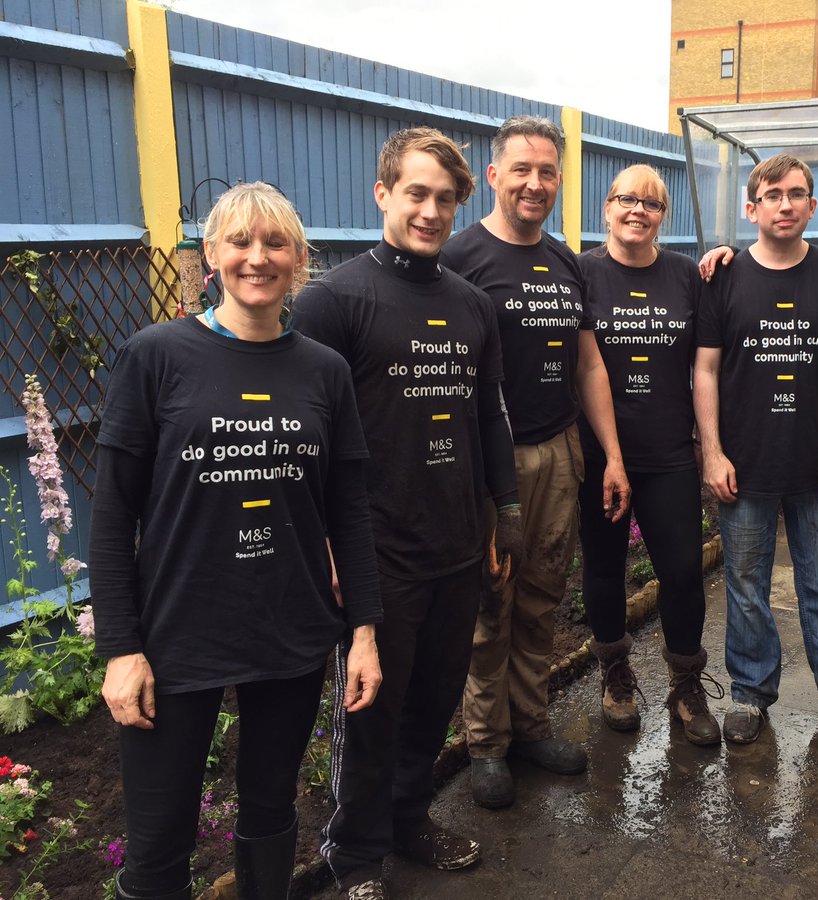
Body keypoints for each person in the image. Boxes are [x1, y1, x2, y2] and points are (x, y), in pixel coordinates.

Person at [90, 182, 383, 900]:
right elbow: (113, 515)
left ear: (299, 259)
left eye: (276, 243)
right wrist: (120, 648)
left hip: (289, 625)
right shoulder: (155, 356)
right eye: (240, 242)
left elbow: (349, 512)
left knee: (271, 810)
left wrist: (364, 633)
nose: (258, 257)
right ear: (211, 255)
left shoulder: (325, 370)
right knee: (158, 840)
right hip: (177, 632)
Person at [291, 128, 521, 899]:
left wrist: (504, 513)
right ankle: (355, 854)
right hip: (376, 547)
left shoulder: (472, 305)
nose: (430, 211)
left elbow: (488, 416)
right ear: (383, 193)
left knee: (432, 700)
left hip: (457, 542)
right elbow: (307, 438)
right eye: (416, 193)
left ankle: (409, 819)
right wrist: (325, 541)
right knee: (372, 709)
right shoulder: (333, 302)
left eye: (445, 199)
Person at [441, 115, 631, 809]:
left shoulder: (564, 261)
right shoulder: (459, 257)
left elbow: (589, 364)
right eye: (521, 169)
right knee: (491, 600)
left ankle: (530, 727)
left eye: (547, 171)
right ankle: (486, 743)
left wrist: (611, 455)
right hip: (490, 462)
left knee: (543, 594)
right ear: (494, 175)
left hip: (559, 449)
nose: (535, 182)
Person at [694, 153, 818, 743]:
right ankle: (750, 694)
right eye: (773, 194)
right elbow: (705, 370)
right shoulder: (722, 277)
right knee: (746, 587)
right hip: (744, 464)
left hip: (817, 464)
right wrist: (712, 452)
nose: (785, 204)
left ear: (812, 205)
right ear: (752, 207)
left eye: (796, 194)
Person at [577, 164, 721, 746]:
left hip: (668, 451)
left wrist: (729, 255)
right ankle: (615, 676)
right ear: (607, 208)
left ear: (664, 216)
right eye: (626, 199)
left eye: (651, 203)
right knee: (604, 567)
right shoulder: (581, 272)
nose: (637, 210)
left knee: (683, 571)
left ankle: (685, 684)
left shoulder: (687, 275)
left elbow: (738, 308)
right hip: (598, 453)